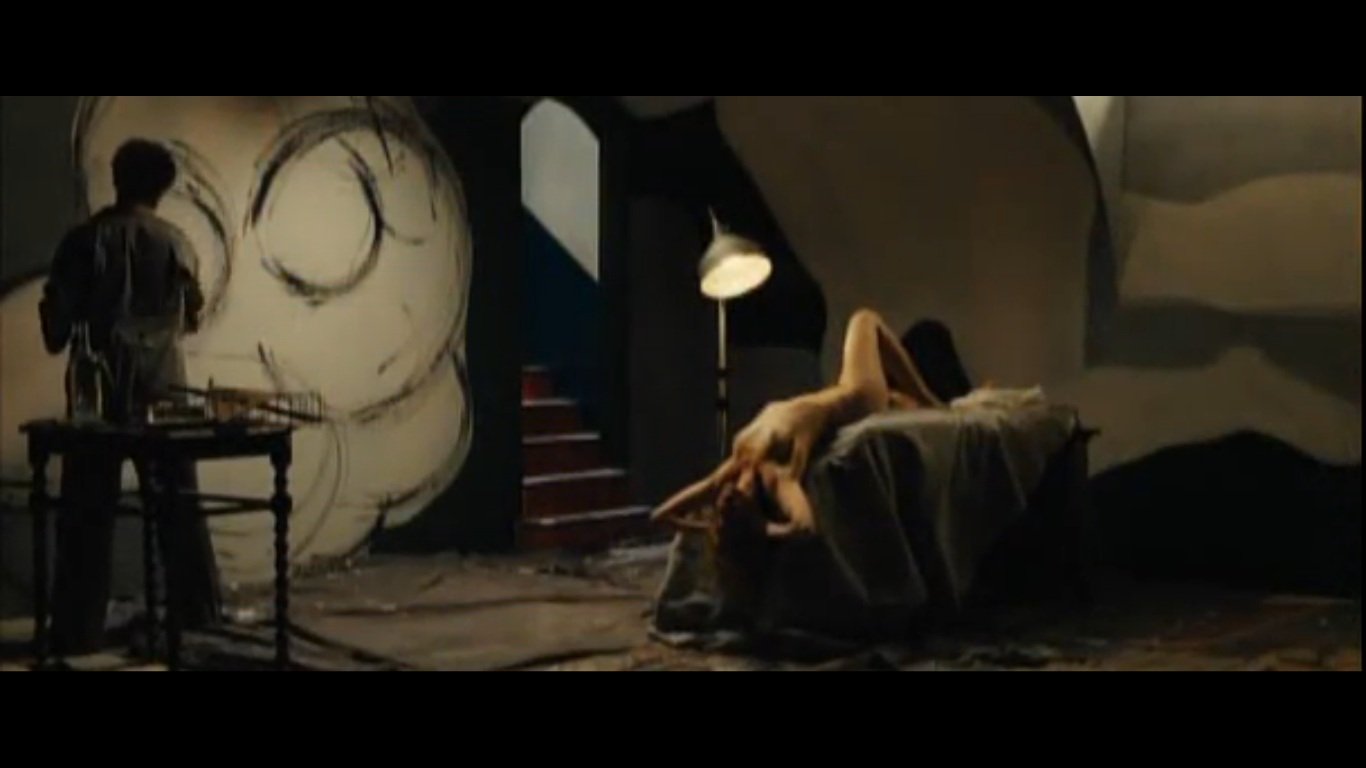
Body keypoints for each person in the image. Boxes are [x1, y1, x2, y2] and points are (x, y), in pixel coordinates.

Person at [39, 139, 221, 656]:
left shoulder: (84, 241)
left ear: (117, 178)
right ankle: (198, 621)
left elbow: (55, 331)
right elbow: (191, 317)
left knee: (87, 516)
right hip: (163, 392)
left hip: (98, 399)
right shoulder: (178, 243)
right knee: (179, 511)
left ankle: (78, 631)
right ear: (162, 188)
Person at [653, 309, 975, 541]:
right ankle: (935, 404)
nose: (726, 498)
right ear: (752, 504)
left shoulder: (735, 466)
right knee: (865, 319)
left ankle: (921, 402)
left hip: (834, 392)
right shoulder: (776, 475)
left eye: (723, 502)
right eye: (735, 504)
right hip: (855, 398)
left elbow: (662, 516)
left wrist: (710, 528)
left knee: (906, 356)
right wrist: (761, 529)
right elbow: (804, 526)